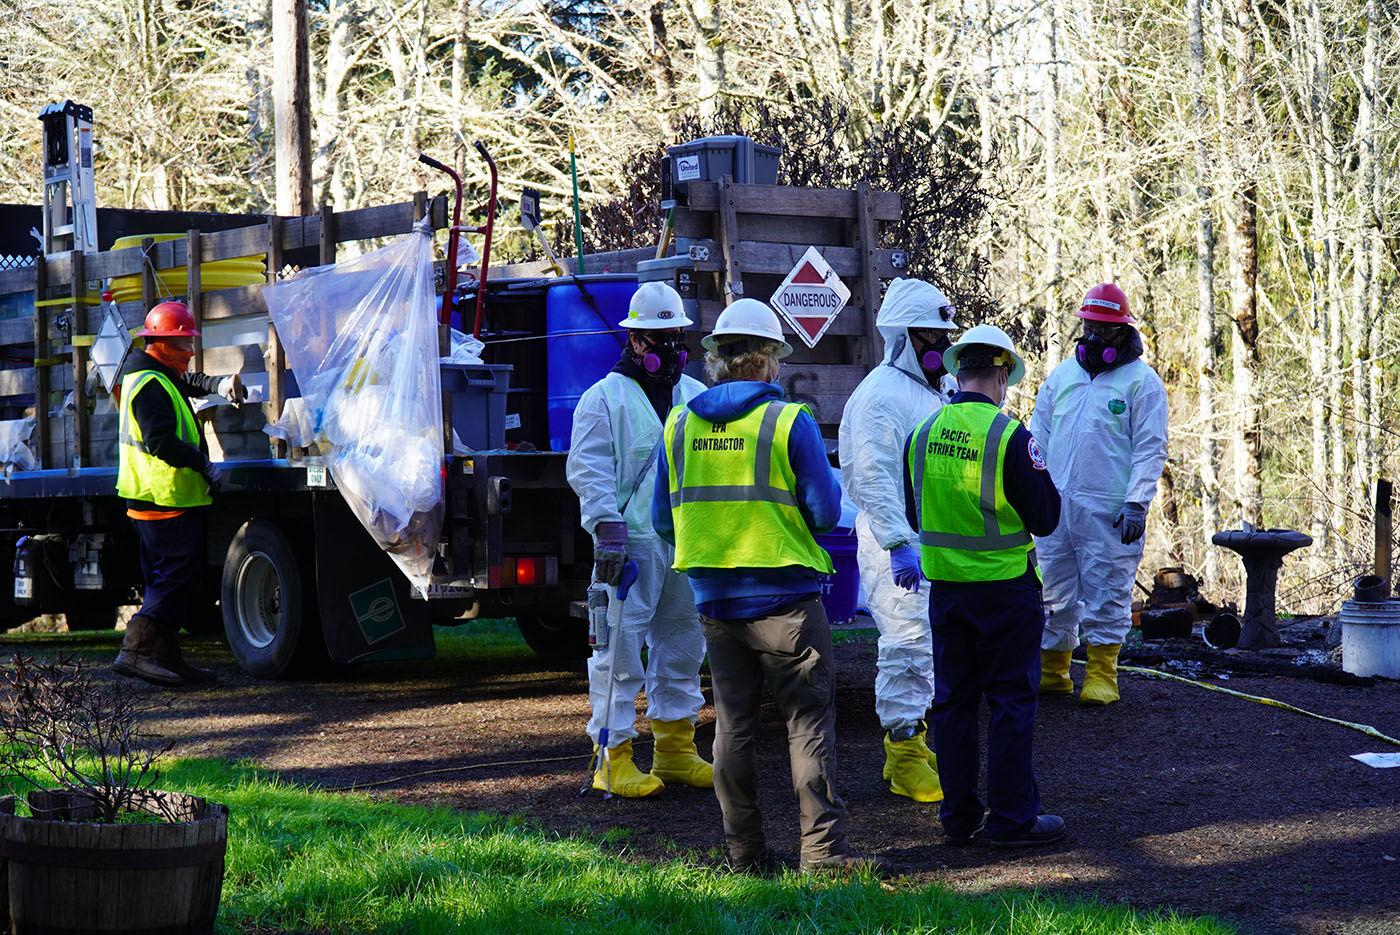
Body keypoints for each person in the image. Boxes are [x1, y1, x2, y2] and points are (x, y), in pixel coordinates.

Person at [653, 299, 881, 875]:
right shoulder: (788, 421)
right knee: (808, 725)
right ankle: (824, 859)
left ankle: (744, 856)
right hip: (787, 605)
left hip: (716, 603)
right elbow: (827, 512)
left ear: (717, 362)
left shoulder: (679, 424)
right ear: (771, 362)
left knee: (733, 727)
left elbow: (661, 520)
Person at [903, 324, 1065, 847]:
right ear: (1000, 374)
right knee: (1011, 703)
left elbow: (916, 512)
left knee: (952, 705)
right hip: (1005, 592)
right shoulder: (1009, 435)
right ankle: (1013, 820)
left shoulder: (921, 434)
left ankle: (958, 819)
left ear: (956, 371)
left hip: (947, 592)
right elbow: (1045, 518)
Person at [566, 281, 712, 798]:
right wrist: (606, 527)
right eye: (659, 336)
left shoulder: (696, 398)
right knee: (619, 651)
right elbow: (588, 469)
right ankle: (613, 756)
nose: (671, 346)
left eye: (675, 335)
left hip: (683, 544)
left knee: (682, 645)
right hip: (628, 547)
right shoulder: (603, 399)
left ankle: (675, 749)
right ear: (636, 341)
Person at [838, 278, 958, 803]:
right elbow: (872, 475)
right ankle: (903, 751)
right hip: (897, 544)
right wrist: (895, 541)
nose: (940, 345)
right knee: (906, 643)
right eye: (929, 336)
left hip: (937, 540)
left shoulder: (940, 391)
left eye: (943, 335)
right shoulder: (880, 396)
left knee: (929, 644)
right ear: (903, 335)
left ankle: (915, 740)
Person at [1032, 283, 1168, 705]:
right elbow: (1038, 435)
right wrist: (1031, 490)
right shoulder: (1063, 375)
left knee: (1107, 589)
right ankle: (1054, 671)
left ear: (1121, 332)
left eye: (1103, 329)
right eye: (1089, 326)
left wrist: (1136, 502)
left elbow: (1150, 447)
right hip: (1056, 507)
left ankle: (1102, 672)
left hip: (1109, 510)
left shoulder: (1141, 383)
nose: (1093, 336)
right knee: (1053, 590)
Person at [113, 301, 245, 687]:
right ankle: (135, 650)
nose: (189, 352)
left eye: (189, 342)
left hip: (155, 497)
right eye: (182, 344)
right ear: (158, 343)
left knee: (165, 578)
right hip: (163, 497)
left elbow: (187, 383)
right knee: (174, 575)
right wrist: (204, 465)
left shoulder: (154, 373)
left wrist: (218, 385)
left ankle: (168, 656)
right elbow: (161, 443)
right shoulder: (151, 385)